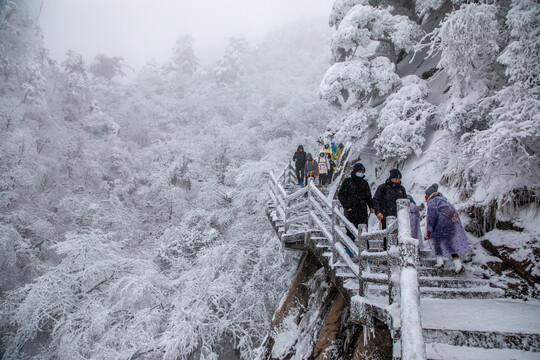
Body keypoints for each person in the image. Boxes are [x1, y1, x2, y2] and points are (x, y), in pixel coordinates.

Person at [425, 183, 472, 274]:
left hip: (441, 224)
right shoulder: (444, 201)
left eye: (426, 195)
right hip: (451, 225)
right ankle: (458, 265)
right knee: (449, 243)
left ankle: (440, 262)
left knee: (436, 241)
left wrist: (429, 229)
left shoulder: (433, 201)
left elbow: (431, 216)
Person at [338, 162, 374, 241]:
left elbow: (368, 197)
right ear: (355, 172)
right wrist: (346, 206)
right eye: (359, 172)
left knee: (364, 231)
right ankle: (349, 250)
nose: (361, 174)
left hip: (362, 210)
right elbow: (341, 195)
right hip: (351, 211)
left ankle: (364, 250)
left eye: (362, 172)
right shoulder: (348, 182)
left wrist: (371, 206)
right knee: (350, 231)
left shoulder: (364, 183)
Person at [373, 169, 407, 249]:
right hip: (386, 216)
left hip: (399, 216)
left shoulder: (401, 189)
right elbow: (376, 200)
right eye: (396, 178)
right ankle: (387, 252)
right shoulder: (383, 188)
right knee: (388, 236)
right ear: (391, 178)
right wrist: (378, 212)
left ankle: (399, 252)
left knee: (400, 235)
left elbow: (405, 201)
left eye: (399, 179)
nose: (398, 180)